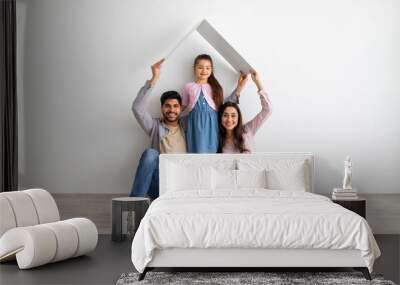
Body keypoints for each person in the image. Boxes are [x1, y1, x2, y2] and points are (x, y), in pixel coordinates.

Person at [130, 59, 187, 199]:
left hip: (182, 184)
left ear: (181, 109)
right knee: (150, 153)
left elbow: (214, 116)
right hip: (159, 183)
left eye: (175, 106)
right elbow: (137, 108)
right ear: (162, 108)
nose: (171, 110)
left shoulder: (188, 125)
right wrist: (154, 79)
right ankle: (134, 205)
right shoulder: (155, 126)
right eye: (167, 106)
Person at [182, 54, 238, 153]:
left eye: (207, 68)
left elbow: (223, 107)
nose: (204, 71)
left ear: (211, 69)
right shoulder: (188, 87)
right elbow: (183, 106)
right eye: (200, 67)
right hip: (195, 123)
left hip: (212, 124)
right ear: (194, 69)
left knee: (212, 152)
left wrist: (239, 88)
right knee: (196, 152)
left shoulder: (215, 87)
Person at [218, 70, 272, 153]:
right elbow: (226, 106)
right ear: (220, 117)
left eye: (233, 116)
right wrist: (239, 88)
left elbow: (268, 109)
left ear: (238, 117)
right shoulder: (216, 138)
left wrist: (257, 82)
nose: (229, 119)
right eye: (225, 115)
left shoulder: (247, 130)